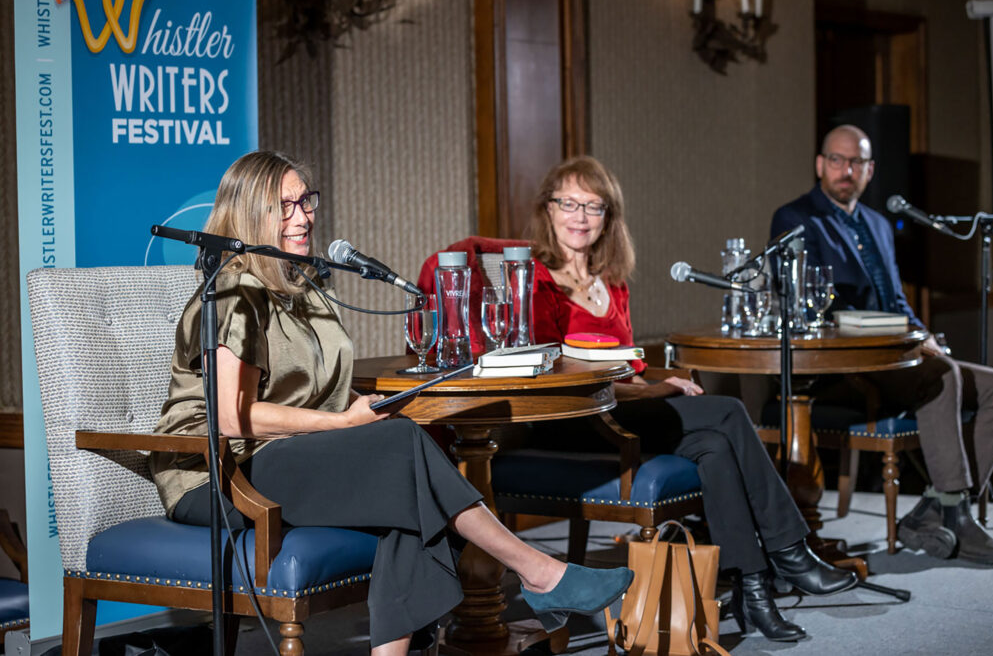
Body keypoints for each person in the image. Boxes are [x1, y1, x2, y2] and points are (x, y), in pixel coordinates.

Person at [148, 150, 634, 656]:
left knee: (407, 494)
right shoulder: (232, 293)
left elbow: (313, 387)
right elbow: (233, 416)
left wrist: (365, 407)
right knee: (404, 451)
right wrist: (341, 424)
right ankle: (540, 571)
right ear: (249, 214)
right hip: (221, 473)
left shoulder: (304, 287)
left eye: (306, 201)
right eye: (284, 206)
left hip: (287, 455)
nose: (303, 217)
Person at [528, 156, 858, 643]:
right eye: (569, 204)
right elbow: (560, 377)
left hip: (626, 408)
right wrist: (662, 389)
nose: (580, 217)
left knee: (717, 447)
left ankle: (754, 590)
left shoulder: (611, 282)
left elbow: (631, 365)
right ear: (548, 210)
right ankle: (791, 552)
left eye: (593, 207)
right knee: (727, 410)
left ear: (609, 218)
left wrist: (659, 381)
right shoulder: (536, 281)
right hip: (574, 415)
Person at [771, 124, 993, 565]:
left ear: (870, 170)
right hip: (848, 366)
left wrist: (924, 336)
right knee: (942, 378)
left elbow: (897, 302)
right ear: (820, 165)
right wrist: (900, 340)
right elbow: (806, 305)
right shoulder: (796, 219)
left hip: (902, 356)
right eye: (836, 160)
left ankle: (935, 508)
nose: (845, 170)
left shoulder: (879, 224)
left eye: (856, 163)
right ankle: (955, 516)